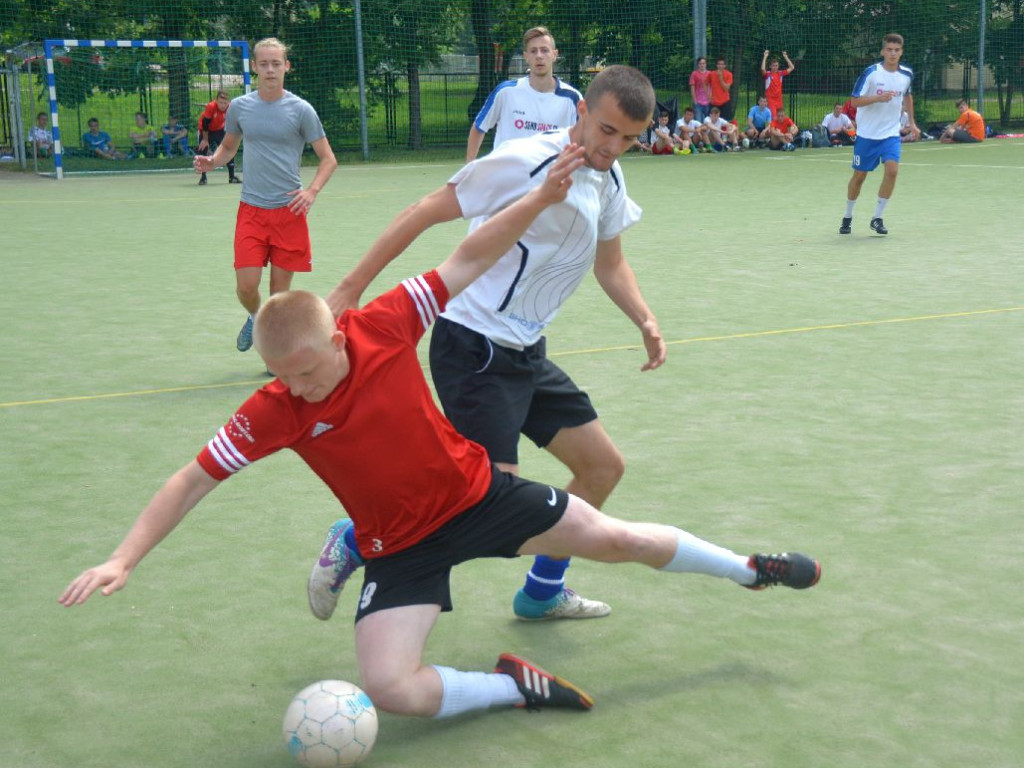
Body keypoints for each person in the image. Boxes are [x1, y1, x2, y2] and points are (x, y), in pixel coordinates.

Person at [60, 147, 822, 723]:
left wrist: (539, 198)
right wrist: (123, 556)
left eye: (305, 374)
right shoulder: (274, 409)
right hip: (399, 545)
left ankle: (751, 568)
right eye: (281, 379)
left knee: (619, 538)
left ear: (337, 339)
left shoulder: (385, 325)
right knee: (392, 688)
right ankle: (509, 686)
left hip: (479, 495)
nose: (295, 391)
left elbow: (468, 253)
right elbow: (191, 478)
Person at [323, 65, 666, 623]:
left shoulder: (611, 177)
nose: (615, 147)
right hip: (473, 345)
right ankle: (359, 540)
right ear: (581, 112)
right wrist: (349, 288)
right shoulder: (524, 160)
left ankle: (541, 592)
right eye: (606, 131)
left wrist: (644, 319)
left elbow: (612, 263)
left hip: (526, 352)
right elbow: (424, 211)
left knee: (602, 469)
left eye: (629, 138)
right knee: (489, 505)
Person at [193, 38, 338, 356]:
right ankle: (256, 319)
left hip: (289, 213)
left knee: (278, 296)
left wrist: (311, 191)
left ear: (286, 67)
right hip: (252, 211)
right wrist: (212, 162)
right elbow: (228, 147)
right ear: (254, 67)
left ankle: (276, 356)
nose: (270, 69)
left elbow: (328, 159)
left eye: (276, 63)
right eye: (264, 63)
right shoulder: (241, 108)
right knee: (247, 287)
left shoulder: (302, 110)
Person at [839, 33, 920, 236]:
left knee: (892, 171)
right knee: (859, 176)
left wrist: (912, 123)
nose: (893, 53)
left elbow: (908, 97)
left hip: (890, 134)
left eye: (897, 50)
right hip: (867, 134)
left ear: (901, 52)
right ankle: (848, 216)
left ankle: (877, 218)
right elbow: (854, 101)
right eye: (889, 50)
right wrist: (877, 98)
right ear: (883, 51)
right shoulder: (871, 73)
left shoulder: (906, 75)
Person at [466, 26, 581, 163]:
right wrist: (469, 168)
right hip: (508, 181)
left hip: (549, 181)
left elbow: (585, 140)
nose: (539, 56)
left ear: (554, 54)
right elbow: (479, 127)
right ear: (526, 56)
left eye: (544, 50)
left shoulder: (572, 99)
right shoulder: (506, 92)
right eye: (533, 51)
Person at [197, 90, 240, 185]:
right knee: (203, 149)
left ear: (228, 102)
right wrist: (205, 140)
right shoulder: (211, 107)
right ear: (216, 101)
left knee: (229, 148)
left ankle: (232, 177)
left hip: (219, 130)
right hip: (205, 130)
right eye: (221, 102)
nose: (223, 105)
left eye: (225, 103)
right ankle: (203, 178)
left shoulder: (230, 107)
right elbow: (205, 124)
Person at [761, 50, 795, 118]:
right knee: (774, 118)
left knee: (782, 117)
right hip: (771, 101)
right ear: (770, 66)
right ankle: (771, 128)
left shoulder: (780, 73)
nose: (775, 67)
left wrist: (785, 57)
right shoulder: (768, 74)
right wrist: (765, 56)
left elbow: (792, 67)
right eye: (773, 66)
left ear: (778, 66)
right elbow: (762, 69)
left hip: (779, 100)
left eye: (776, 65)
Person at [709, 57, 734, 121]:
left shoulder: (729, 74)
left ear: (725, 65)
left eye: (722, 64)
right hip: (714, 103)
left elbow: (726, 89)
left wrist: (720, 78)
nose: (720, 66)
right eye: (719, 64)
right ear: (716, 65)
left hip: (725, 102)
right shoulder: (711, 74)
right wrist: (708, 95)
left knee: (726, 121)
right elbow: (705, 84)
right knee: (713, 121)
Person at [688, 57, 712, 123]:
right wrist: (694, 100)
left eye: (703, 63)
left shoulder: (710, 74)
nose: (702, 65)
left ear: (706, 64)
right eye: (700, 63)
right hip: (698, 102)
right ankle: (698, 133)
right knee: (698, 122)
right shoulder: (694, 74)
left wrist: (710, 98)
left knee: (708, 122)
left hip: (707, 102)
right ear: (698, 65)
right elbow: (692, 87)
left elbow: (712, 87)